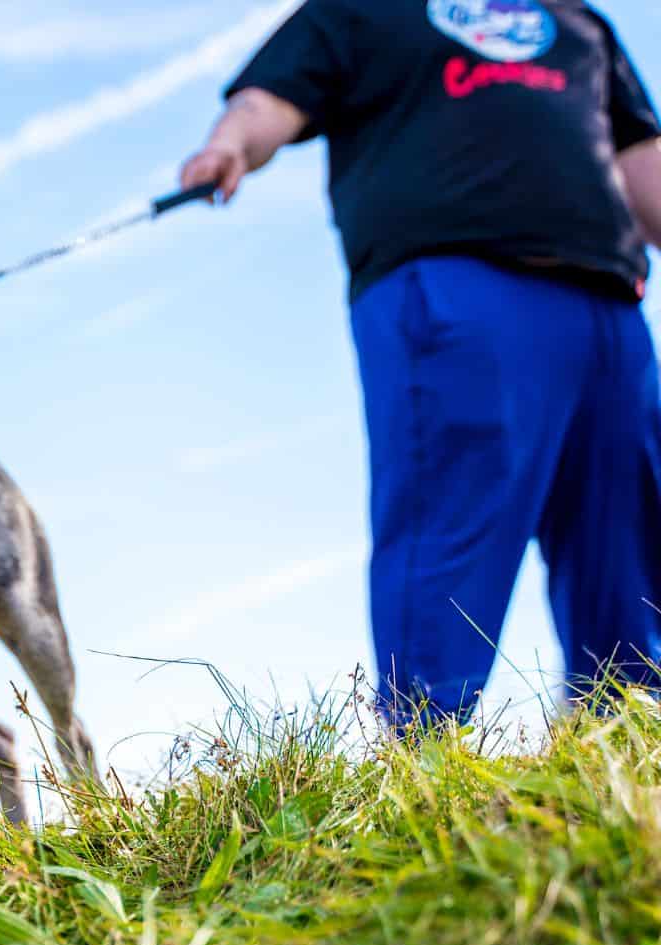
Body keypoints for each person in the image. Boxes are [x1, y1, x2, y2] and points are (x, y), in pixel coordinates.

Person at [181, 0, 661, 732]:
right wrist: (230, 146)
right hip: (452, 287)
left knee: (627, 536)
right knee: (449, 524)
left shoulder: (582, 23)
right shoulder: (358, 9)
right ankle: (427, 749)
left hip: (605, 306)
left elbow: (640, 156)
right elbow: (265, 99)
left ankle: (631, 738)